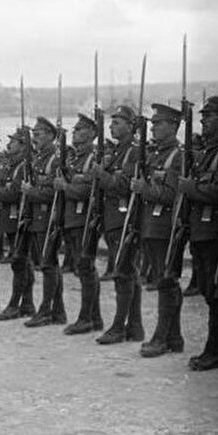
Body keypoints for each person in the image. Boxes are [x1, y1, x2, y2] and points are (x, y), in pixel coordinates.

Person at [179, 96, 218, 371]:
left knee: (216, 294)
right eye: (202, 116)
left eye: (209, 116)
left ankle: (215, 351)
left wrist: (191, 189)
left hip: (215, 231)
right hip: (202, 230)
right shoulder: (208, 153)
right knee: (209, 293)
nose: (203, 120)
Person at [136, 104, 184, 357]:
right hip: (151, 226)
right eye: (153, 123)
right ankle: (174, 337)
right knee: (165, 282)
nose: (153, 127)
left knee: (166, 281)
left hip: (165, 227)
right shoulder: (155, 154)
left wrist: (143, 189)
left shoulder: (177, 156)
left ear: (174, 126)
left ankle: (162, 337)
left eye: (158, 123)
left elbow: (171, 195)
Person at [94, 105, 144, 344]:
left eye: (117, 122)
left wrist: (100, 174)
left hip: (124, 219)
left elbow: (124, 184)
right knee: (126, 273)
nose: (112, 126)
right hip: (113, 218)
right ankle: (134, 326)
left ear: (131, 126)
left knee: (123, 273)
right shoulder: (117, 151)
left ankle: (119, 327)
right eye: (111, 122)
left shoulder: (133, 152)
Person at [56, 114, 103, 335]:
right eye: (75, 129)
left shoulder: (93, 158)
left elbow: (88, 191)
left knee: (86, 267)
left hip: (85, 220)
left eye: (80, 129)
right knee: (82, 268)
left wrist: (65, 187)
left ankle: (86, 318)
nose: (75, 132)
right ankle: (94, 317)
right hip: (72, 219)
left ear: (93, 133)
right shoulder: (74, 159)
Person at [23, 117, 66, 328]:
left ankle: (47, 310)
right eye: (34, 133)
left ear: (51, 135)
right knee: (48, 265)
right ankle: (58, 311)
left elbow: (54, 192)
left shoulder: (55, 159)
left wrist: (32, 192)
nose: (35, 137)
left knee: (48, 265)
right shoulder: (40, 159)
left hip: (49, 218)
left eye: (38, 133)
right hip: (38, 218)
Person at [0, 127, 36, 320]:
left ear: (23, 146)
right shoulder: (13, 165)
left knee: (20, 262)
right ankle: (26, 303)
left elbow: (14, 194)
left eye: (14, 142)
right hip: (11, 219)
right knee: (20, 262)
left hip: (19, 217)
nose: (9, 145)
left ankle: (15, 304)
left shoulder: (23, 166)